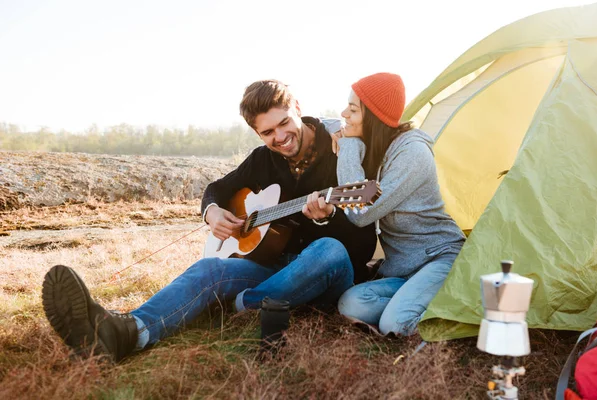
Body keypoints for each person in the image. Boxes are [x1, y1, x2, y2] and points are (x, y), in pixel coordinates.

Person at [42, 79, 376, 362]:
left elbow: (363, 243)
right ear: (257, 133)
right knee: (208, 270)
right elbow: (217, 189)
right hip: (274, 266)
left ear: (298, 108)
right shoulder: (263, 159)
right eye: (268, 132)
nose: (280, 137)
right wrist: (212, 211)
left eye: (284, 123)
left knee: (328, 249)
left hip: (327, 274)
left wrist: (328, 217)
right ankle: (126, 332)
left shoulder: (342, 152)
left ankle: (244, 303)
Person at [329, 72, 466, 336]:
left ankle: (463, 309)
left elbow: (360, 212)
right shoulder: (377, 146)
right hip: (404, 270)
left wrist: (348, 148)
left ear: (374, 119)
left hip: (440, 258)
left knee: (394, 324)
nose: (344, 113)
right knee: (350, 304)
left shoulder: (411, 153)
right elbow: (323, 124)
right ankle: (417, 302)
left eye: (353, 109)